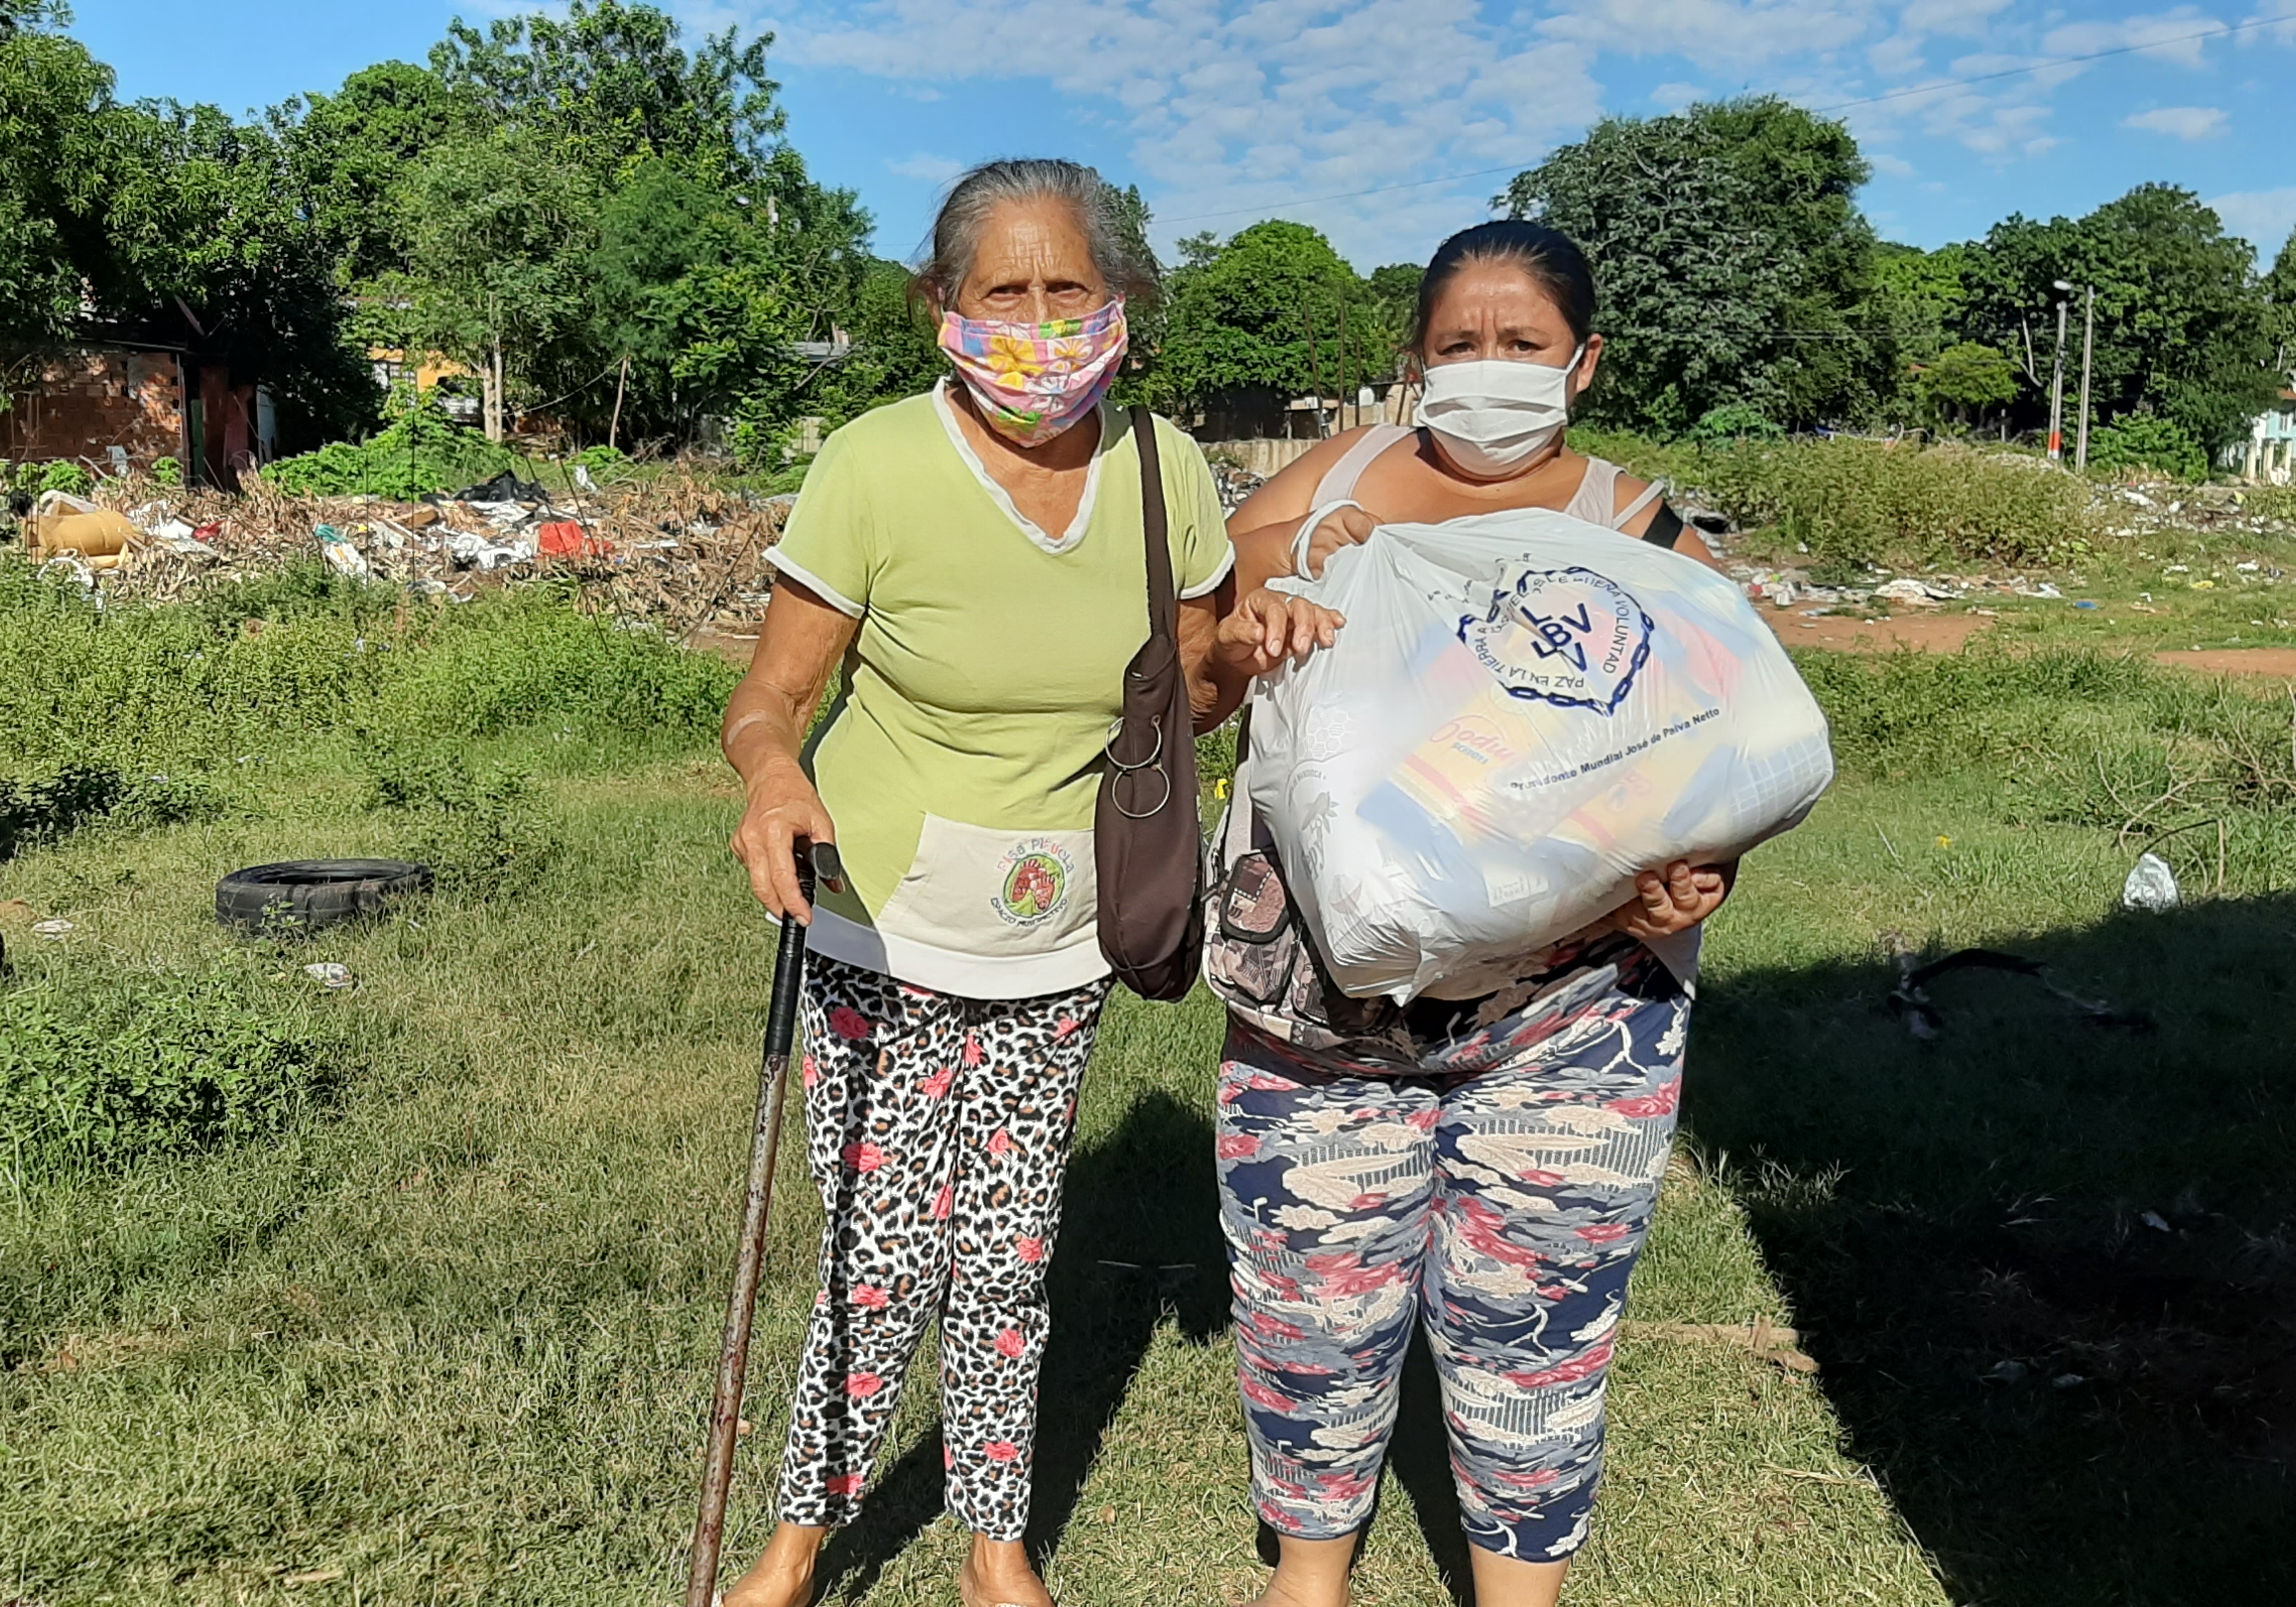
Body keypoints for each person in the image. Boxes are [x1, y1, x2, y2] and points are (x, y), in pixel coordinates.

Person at [716, 157, 1335, 1607]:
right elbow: (769, 696)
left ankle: (997, 1546)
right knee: (879, 1252)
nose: (1040, 325)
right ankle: (801, 1538)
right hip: (876, 918)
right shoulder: (874, 463)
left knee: (1006, 1253)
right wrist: (773, 777)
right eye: (1006, 291)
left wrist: (1251, 651)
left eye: (1071, 289)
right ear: (943, 302)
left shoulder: (1164, 471)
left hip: (1062, 930)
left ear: (1122, 301)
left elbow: (1191, 700)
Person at [1208, 219, 1734, 1607]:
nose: (1489, 367)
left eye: (1522, 344)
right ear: (1418, 360)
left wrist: (1700, 866)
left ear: (1583, 363)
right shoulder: (1341, 477)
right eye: (1460, 344)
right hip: (1317, 1014)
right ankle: (1306, 1584)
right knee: (1310, 1316)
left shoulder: (1638, 529)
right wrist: (1269, 601)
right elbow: (1207, 630)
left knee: (1536, 1333)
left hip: (1570, 1017)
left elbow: (1727, 743)